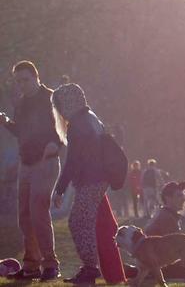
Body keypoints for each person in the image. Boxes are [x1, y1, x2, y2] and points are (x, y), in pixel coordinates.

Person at [0, 61, 63, 281]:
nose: (22, 85)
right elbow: (22, 132)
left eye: (26, 80)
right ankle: (31, 266)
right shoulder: (21, 103)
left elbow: (65, 127)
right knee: (24, 217)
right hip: (25, 164)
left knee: (38, 212)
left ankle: (51, 264)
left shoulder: (51, 98)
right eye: (18, 81)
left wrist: (56, 143)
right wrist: (6, 122)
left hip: (46, 162)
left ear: (36, 77)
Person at [50, 83, 108, 284]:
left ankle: (91, 268)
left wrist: (59, 189)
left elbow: (73, 161)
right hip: (98, 179)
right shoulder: (91, 118)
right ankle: (91, 266)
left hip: (91, 180)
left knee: (78, 223)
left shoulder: (78, 124)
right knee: (84, 222)